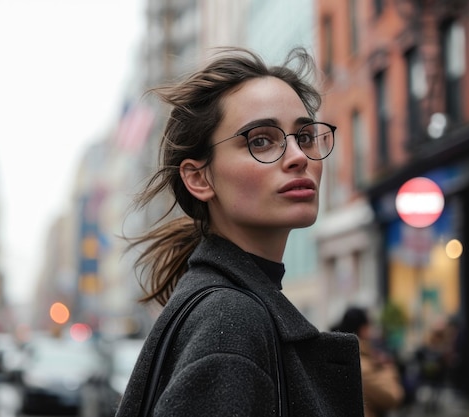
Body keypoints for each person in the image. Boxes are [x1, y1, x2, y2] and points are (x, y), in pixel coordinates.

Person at [115, 47, 364, 417]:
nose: (298, 156)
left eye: (305, 136)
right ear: (199, 178)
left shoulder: (228, 309)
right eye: (261, 140)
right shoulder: (230, 324)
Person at [333, 307, 404, 417]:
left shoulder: (340, 357)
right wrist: (387, 368)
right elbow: (393, 397)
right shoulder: (362, 366)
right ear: (363, 329)